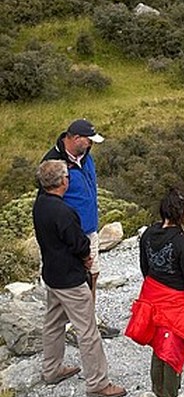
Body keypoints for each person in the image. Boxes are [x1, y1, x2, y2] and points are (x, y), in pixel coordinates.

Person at [32, 159, 126, 397]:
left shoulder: (40, 204)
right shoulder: (64, 212)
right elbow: (79, 243)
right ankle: (97, 382)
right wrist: (86, 257)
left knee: (53, 323)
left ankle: (51, 369)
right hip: (70, 279)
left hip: (52, 274)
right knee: (87, 330)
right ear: (63, 181)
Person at [125, 187, 184, 397]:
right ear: (181, 213)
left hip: (152, 296)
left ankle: (156, 392)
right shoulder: (182, 243)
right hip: (174, 304)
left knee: (159, 345)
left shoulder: (148, 234)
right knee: (171, 350)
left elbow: (144, 266)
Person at [42, 118, 118, 337]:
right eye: (88, 140)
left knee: (93, 273)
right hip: (69, 231)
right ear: (75, 138)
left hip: (89, 227)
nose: (91, 144)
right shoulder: (53, 162)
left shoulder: (86, 157)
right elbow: (48, 200)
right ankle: (73, 327)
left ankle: (88, 320)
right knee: (74, 279)